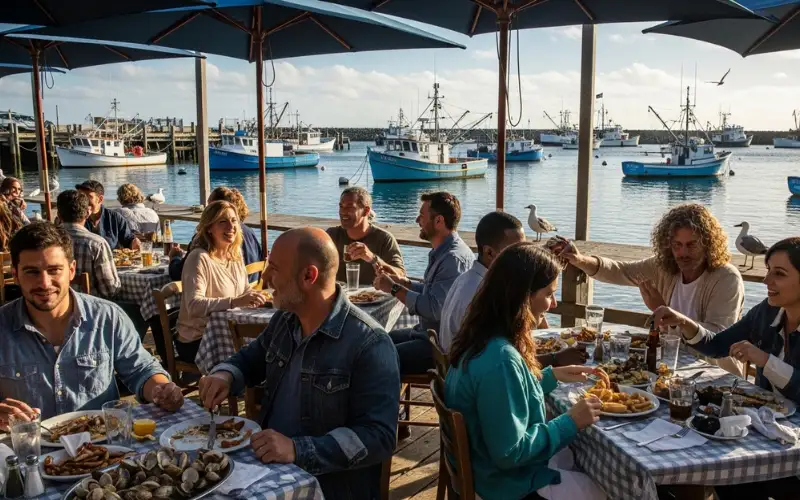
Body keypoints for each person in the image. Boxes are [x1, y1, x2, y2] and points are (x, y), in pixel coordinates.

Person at [198, 227, 399, 500]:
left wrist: (297, 449)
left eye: (275, 269)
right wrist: (225, 375)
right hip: (266, 471)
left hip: (327, 488)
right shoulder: (286, 320)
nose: (266, 278)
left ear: (308, 276)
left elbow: (379, 437)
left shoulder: (369, 343)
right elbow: (251, 358)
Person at [445, 242, 606, 500]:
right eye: (548, 294)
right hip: (505, 485)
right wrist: (571, 421)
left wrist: (550, 376)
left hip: (483, 470)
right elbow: (510, 453)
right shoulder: (501, 359)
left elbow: (498, 402)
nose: (553, 304)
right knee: (607, 487)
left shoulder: (481, 337)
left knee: (579, 459)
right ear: (523, 296)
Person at [655, 236, 800, 499]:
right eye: (768, 271)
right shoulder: (767, 312)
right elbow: (718, 344)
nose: (767, 282)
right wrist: (684, 322)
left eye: (779, 274)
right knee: (720, 469)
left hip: (792, 453)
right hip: (762, 434)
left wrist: (766, 361)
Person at [0, 222, 183, 428]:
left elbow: (141, 370)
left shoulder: (107, 317)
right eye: (32, 272)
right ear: (15, 275)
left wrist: (162, 390)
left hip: (102, 447)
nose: (44, 282)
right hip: (30, 453)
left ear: (71, 270)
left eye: (54, 270)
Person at [555, 203, 745, 376]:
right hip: (669, 370)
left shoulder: (726, 278)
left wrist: (667, 314)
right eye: (677, 245)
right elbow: (621, 271)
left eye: (691, 245)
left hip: (715, 375)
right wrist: (579, 260)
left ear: (709, 244)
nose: (683, 253)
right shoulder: (664, 267)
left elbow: (717, 339)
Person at [439, 211, 587, 367]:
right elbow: (500, 364)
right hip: (475, 380)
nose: (523, 256)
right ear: (489, 252)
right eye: (516, 251)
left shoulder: (467, 278)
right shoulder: (485, 295)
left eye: (524, 248)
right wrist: (555, 359)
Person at [374, 191, 473, 375]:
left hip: (440, 347)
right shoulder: (444, 252)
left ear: (439, 221)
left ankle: (382, 402)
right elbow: (433, 292)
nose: (417, 220)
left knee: (377, 359)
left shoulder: (453, 259)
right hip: (426, 333)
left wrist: (394, 288)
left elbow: (434, 309)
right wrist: (404, 282)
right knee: (376, 341)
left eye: (422, 215)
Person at [174, 201, 267, 365]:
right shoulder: (199, 258)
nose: (231, 227)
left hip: (228, 332)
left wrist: (255, 297)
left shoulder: (235, 254)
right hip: (199, 340)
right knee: (255, 357)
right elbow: (194, 306)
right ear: (209, 228)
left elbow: (244, 291)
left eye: (234, 220)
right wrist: (234, 302)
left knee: (269, 347)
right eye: (222, 222)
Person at [169, 186, 263, 283]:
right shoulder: (250, 233)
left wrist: (175, 257)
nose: (206, 210)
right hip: (254, 288)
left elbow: (179, 274)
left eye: (209, 206)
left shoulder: (205, 240)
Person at [327, 187, 405, 285]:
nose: (343, 211)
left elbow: (401, 276)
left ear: (366, 211)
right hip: (339, 298)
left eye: (350, 207)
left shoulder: (384, 239)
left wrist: (372, 258)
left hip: (373, 297)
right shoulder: (332, 235)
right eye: (341, 206)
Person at [76, 180, 140, 250]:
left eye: (89, 197)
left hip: (110, 259)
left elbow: (128, 239)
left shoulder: (114, 218)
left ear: (100, 199)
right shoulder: (75, 218)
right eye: (81, 197)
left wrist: (134, 242)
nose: (84, 201)